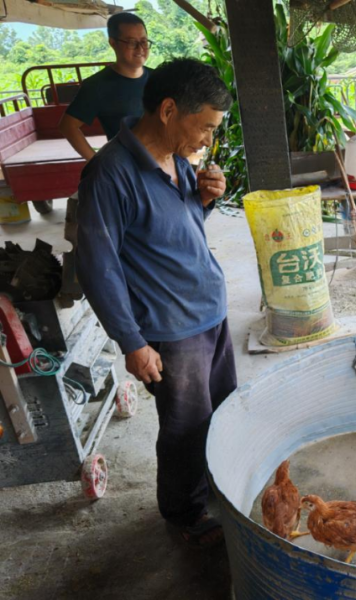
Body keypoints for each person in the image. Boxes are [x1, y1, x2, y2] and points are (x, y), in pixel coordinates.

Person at [75, 58, 234, 549]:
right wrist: (133, 342)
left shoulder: (177, 161)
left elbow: (174, 232)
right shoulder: (109, 174)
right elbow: (97, 266)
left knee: (223, 411)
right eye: (204, 126)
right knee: (186, 428)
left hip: (210, 311)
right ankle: (185, 514)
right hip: (171, 327)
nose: (208, 139)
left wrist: (204, 200)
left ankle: (217, 491)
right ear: (169, 110)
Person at [59, 12, 152, 160]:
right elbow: (68, 126)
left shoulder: (158, 79)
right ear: (113, 43)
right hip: (126, 169)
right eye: (131, 42)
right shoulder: (97, 85)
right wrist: (96, 162)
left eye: (144, 41)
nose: (140, 48)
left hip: (163, 164)